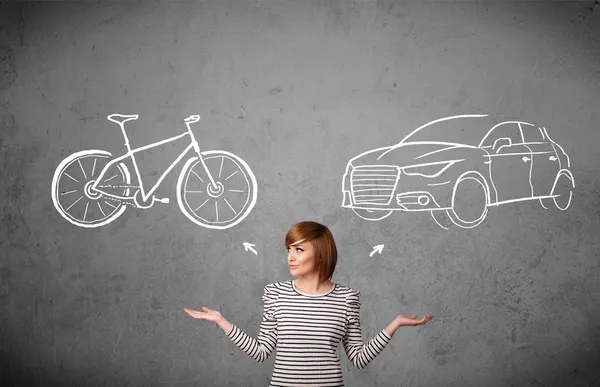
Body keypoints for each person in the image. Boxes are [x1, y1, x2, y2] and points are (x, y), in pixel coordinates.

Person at [184, 221, 433, 387]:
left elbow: (358, 358)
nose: (290, 257)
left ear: (321, 253)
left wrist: (395, 324)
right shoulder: (275, 293)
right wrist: (221, 321)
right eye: (289, 249)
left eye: (299, 249)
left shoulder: (348, 298)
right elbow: (260, 352)